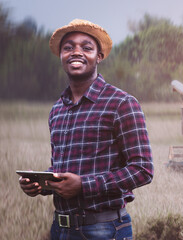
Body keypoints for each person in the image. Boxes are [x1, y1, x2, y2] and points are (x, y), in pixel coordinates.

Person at [18, 19, 154, 240]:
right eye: (68, 47)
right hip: (60, 229)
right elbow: (65, 168)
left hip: (103, 229)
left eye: (87, 47)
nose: (76, 52)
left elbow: (143, 169)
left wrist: (83, 185)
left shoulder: (121, 103)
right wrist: (41, 184)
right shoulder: (57, 110)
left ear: (99, 56)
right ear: (61, 56)